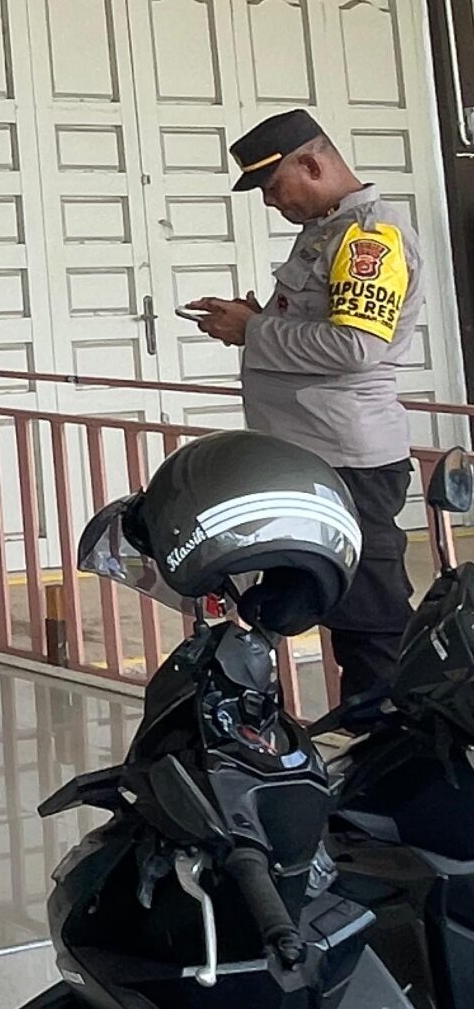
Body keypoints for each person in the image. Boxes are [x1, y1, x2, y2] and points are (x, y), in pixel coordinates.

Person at [189, 108, 419, 702]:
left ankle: (393, 738)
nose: (271, 202)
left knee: (369, 619)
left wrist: (253, 331)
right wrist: (253, 320)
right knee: (315, 599)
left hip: (349, 460)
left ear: (312, 165)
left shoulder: (369, 239)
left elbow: (357, 346)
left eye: (273, 186)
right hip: (310, 454)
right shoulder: (326, 231)